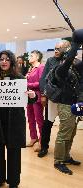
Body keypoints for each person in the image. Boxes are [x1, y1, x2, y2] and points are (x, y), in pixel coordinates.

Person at [0, 50, 37, 188]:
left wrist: (32, 96)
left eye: (7, 59)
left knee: (14, 154)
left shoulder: (20, 79)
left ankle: (13, 182)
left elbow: (27, 100)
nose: (4, 61)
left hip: (14, 122)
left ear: (11, 61)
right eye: (1, 59)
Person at [52, 36, 82, 175]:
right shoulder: (60, 68)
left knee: (72, 132)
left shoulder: (76, 66)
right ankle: (58, 161)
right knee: (64, 133)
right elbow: (69, 60)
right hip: (65, 104)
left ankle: (66, 156)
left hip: (76, 103)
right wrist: (75, 44)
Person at [38, 41, 68, 158]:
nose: (56, 51)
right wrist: (43, 95)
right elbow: (43, 79)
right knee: (48, 123)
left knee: (66, 125)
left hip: (66, 99)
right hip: (52, 98)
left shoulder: (70, 61)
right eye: (55, 49)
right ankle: (44, 147)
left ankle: (64, 151)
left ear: (66, 50)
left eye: (58, 49)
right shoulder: (50, 61)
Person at [26, 50, 44, 152]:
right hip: (28, 96)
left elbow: (41, 83)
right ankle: (33, 138)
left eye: (31, 55)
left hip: (37, 97)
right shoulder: (31, 68)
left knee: (39, 120)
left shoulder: (41, 67)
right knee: (30, 118)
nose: (29, 57)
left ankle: (42, 142)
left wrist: (27, 84)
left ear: (37, 57)